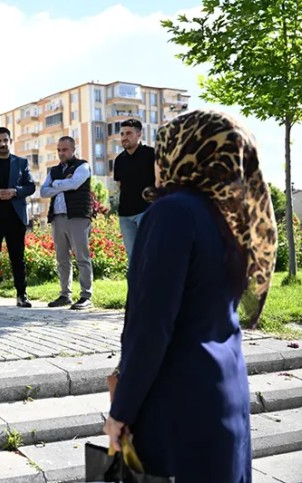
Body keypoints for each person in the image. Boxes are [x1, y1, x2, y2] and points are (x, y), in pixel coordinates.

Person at [103, 110, 276, 482]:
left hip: (179, 399)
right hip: (225, 389)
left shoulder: (172, 212)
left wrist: (122, 410)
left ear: (183, 151)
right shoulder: (227, 219)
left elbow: (151, 325)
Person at [0, 127, 35, 308]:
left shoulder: (21, 163)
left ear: (10, 141)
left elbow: (30, 187)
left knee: (18, 259)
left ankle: (22, 295)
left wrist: (15, 191)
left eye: (5, 140)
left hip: (15, 218)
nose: (2, 144)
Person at [40, 136, 93, 310]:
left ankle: (86, 295)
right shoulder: (53, 170)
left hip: (77, 216)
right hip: (58, 217)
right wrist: (65, 184)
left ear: (73, 149)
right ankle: (65, 295)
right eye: (59, 150)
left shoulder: (83, 166)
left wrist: (56, 184)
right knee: (62, 259)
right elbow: (44, 191)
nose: (61, 153)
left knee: (82, 257)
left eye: (65, 149)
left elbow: (75, 184)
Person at [113, 118, 156, 262]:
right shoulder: (119, 160)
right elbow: (119, 185)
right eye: (122, 134)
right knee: (133, 258)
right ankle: (137, 285)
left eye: (129, 133)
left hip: (147, 211)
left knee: (150, 253)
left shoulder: (151, 154)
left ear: (139, 134)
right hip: (125, 215)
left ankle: (154, 284)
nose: (124, 137)